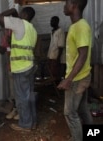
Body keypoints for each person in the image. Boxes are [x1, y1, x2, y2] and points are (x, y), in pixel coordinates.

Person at [0, 2, 37, 132]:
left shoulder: (19, 24)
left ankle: (25, 125)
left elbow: (1, 19)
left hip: (20, 68)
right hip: (29, 66)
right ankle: (32, 122)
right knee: (29, 96)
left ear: (24, 14)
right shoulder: (32, 29)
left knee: (22, 98)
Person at [57, 0, 93, 141]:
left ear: (74, 6)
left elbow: (83, 55)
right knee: (83, 109)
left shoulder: (80, 27)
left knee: (70, 113)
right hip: (81, 76)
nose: (64, 7)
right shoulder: (77, 26)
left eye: (66, 4)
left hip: (77, 79)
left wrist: (68, 79)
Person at [47, 16, 65, 81]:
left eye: (53, 21)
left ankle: (57, 87)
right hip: (51, 56)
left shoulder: (60, 31)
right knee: (51, 73)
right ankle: (53, 86)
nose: (51, 23)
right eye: (51, 21)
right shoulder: (52, 31)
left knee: (56, 73)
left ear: (57, 22)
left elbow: (61, 46)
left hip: (56, 57)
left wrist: (58, 59)